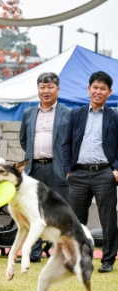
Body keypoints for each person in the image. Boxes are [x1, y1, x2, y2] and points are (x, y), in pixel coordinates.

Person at [63, 71, 118, 274]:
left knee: (108, 218)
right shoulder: (76, 114)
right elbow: (66, 144)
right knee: (77, 220)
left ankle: (108, 260)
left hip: (105, 174)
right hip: (78, 174)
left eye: (103, 88)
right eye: (95, 87)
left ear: (109, 92)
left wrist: (116, 169)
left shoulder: (114, 116)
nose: (98, 91)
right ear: (88, 89)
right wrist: (68, 170)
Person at [19, 72, 70, 263]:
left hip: (58, 169)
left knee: (61, 210)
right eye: (42, 87)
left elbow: (72, 142)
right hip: (34, 169)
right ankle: (33, 253)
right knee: (33, 210)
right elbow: (24, 139)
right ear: (38, 89)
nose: (46, 91)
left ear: (58, 89)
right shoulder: (28, 113)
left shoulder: (68, 113)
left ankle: (63, 253)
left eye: (50, 87)